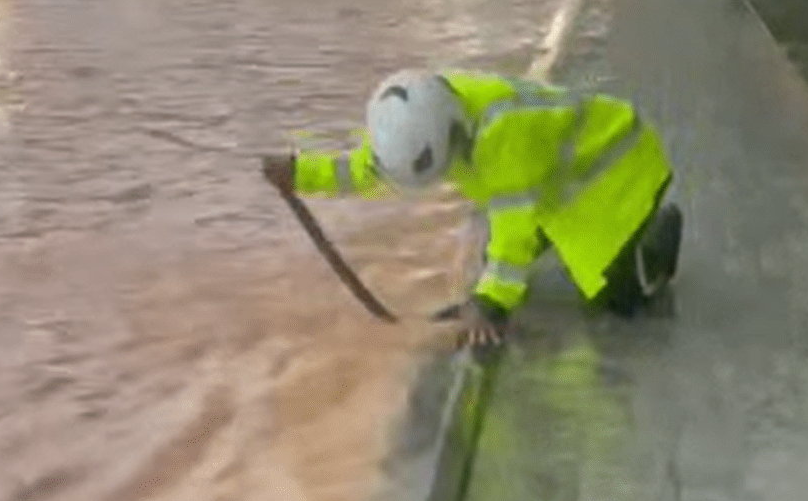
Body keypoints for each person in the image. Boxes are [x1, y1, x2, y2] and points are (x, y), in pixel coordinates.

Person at [259, 69, 685, 348]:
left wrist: (492, 305)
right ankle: (570, 246)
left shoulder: (501, 137)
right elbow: (366, 169)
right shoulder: (429, 114)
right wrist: (301, 174)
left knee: (620, 303)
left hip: (612, 169)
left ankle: (656, 235)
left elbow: (513, 229)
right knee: (496, 266)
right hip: (554, 180)